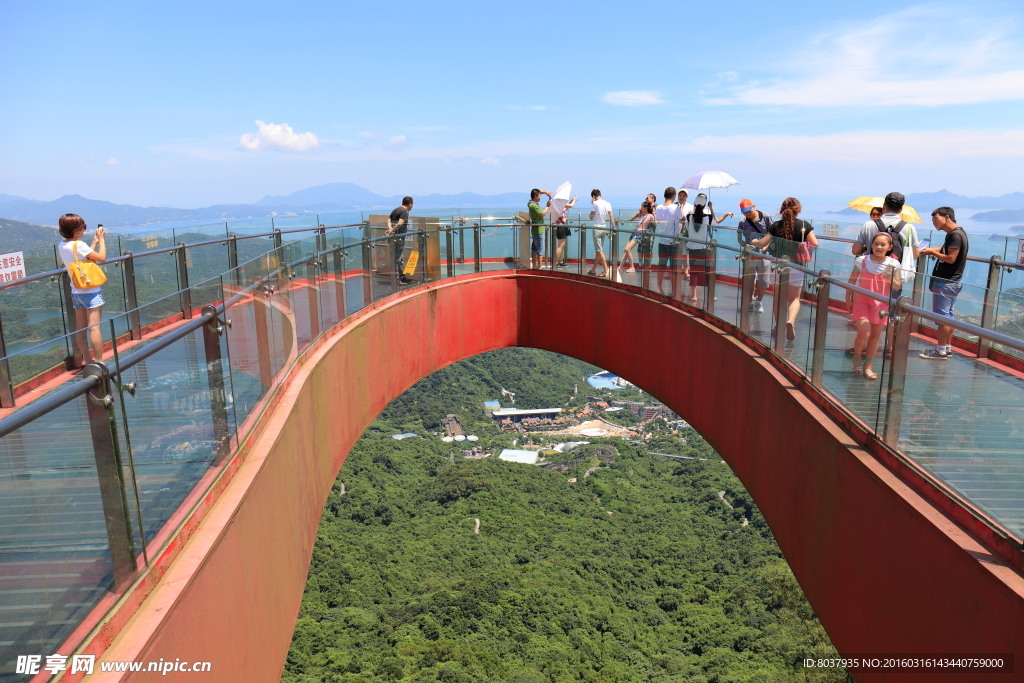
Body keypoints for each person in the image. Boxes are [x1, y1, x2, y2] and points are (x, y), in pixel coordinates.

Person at [753, 197, 818, 342]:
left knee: (778, 298)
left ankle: (778, 327)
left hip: (778, 266)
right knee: (794, 298)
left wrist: (756, 241)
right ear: (798, 209)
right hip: (797, 266)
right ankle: (791, 321)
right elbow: (815, 243)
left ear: (782, 209)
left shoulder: (776, 225)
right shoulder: (804, 225)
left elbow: (763, 242)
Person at [847, 232, 901, 379]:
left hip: (882, 304)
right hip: (862, 302)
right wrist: (848, 298)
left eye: (883, 244)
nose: (879, 247)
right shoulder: (862, 260)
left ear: (889, 247)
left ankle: (868, 366)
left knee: (875, 336)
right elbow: (852, 280)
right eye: (876, 243)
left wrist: (890, 277)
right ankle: (857, 359)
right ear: (871, 245)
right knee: (864, 332)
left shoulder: (893, 264)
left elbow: (897, 286)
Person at [57, 213, 107, 367]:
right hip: (91, 292)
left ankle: (86, 358)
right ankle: (99, 361)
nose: (83, 230)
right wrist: (102, 241)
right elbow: (101, 258)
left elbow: (81, 259)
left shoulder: (62, 245)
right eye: (82, 227)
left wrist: (93, 243)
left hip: (76, 291)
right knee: (95, 328)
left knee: (80, 328)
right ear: (76, 230)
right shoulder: (79, 244)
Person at [919, 207, 968, 359]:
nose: (934, 223)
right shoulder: (958, 233)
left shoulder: (954, 235)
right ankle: (946, 348)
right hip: (953, 281)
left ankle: (940, 350)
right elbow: (947, 250)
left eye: (936, 219)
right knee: (948, 316)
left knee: (942, 318)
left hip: (946, 281)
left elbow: (950, 258)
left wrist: (933, 253)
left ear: (947, 217)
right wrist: (927, 250)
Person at [684, 194, 734, 305]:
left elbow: (688, 229)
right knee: (707, 272)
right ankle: (710, 294)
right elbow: (716, 221)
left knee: (694, 272)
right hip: (704, 248)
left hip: (692, 247)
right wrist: (711, 208)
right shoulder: (708, 218)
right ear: (704, 205)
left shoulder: (688, 217)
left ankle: (694, 295)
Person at [736, 198, 771, 313]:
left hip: (764, 255)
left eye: (748, 210)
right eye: (744, 212)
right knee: (749, 280)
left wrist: (765, 247)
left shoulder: (766, 217)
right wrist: (747, 245)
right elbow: (739, 239)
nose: (747, 214)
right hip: (750, 254)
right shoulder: (742, 222)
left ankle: (759, 302)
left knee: (763, 280)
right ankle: (749, 302)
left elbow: (773, 235)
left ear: (753, 206)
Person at [654, 187, 686, 292]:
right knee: (674, 268)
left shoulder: (658, 207)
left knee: (661, 265)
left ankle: (659, 288)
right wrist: (680, 207)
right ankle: (673, 291)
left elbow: (657, 220)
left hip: (662, 241)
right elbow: (683, 219)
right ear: (674, 196)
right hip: (673, 242)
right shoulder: (675, 207)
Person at [620, 200, 655, 272]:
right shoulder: (641, 214)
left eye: (642, 206)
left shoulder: (650, 215)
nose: (640, 207)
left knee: (627, 249)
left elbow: (656, 223)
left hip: (639, 234)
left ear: (645, 207)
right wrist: (627, 220)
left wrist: (654, 214)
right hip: (634, 232)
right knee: (625, 250)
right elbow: (633, 218)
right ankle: (620, 266)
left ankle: (632, 267)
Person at [385, 196, 414, 284]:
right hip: (399, 238)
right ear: (410, 204)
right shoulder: (404, 211)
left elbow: (388, 220)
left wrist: (390, 230)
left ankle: (400, 277)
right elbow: (401, 223)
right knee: (399, 258)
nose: (412, 206)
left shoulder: (395, 210)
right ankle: (399, 279)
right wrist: (393, 230)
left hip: (393, 237)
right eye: (412, 205)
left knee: (395, 257)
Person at [588, 189, 615, 276]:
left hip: (597, 228)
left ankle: (605, 271)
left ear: (593, 197)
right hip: (604, 227)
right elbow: (611, 216)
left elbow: (591, 217)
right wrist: (614, 227)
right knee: (598, 251)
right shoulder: (608, 203)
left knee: (599, 250)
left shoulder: (595, 203)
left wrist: (592, 204)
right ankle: (593, 269)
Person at [527, 189, 553, 269]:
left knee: (534, 248)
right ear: (535, 196)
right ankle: (540, 267)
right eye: (539, 195)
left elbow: (535, 191)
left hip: (535, 229)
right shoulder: (534, 206)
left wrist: (545, 192)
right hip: (539, 230)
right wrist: (547, 206)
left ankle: (534, 266)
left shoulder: (530, 203)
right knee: (540, 249)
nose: (540, 197)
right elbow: (542, 214)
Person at [553, 194, 578, 268]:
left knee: (562, 245)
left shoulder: (558, 206)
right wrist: (574, 199)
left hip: (561, 227)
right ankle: (555, 263)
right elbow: (571, 205)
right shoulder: (559, 206)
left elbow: (567, 207)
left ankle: (560, 261)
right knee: (561, 246)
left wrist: (571, 201)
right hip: (560, 227)